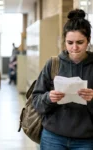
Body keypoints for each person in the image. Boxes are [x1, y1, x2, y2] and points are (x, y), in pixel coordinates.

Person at [32, 9, 93, 150]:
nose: (74, 47)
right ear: (64, 41)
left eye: (80, 42)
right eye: (70, 42)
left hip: (86, 139)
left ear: (88, 40)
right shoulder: (53, 64)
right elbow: (36, 101)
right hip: (53, 137)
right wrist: (49, 97)